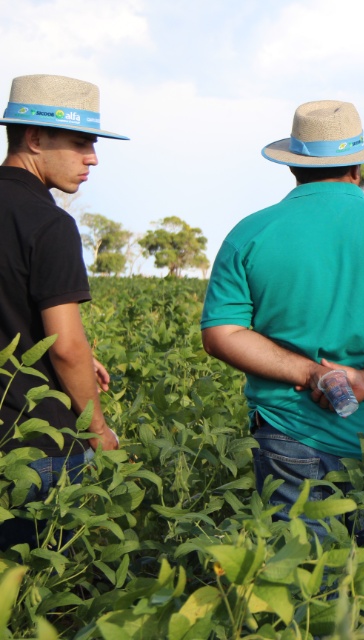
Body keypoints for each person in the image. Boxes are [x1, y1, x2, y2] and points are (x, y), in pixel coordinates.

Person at [201, 100, 364, 542]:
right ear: (358, 165)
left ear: (293, 166)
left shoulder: (249, 233)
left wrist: (308, 373)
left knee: (299, 579)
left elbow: (221, 333)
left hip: (287, 430)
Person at [0, 74, 124, 549]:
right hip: (32, 444)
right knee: (33, 594)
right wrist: (98, 430)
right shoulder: (49, 224)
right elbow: (67, 346)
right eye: (79, 144)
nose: (92, 158)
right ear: (34, 138)